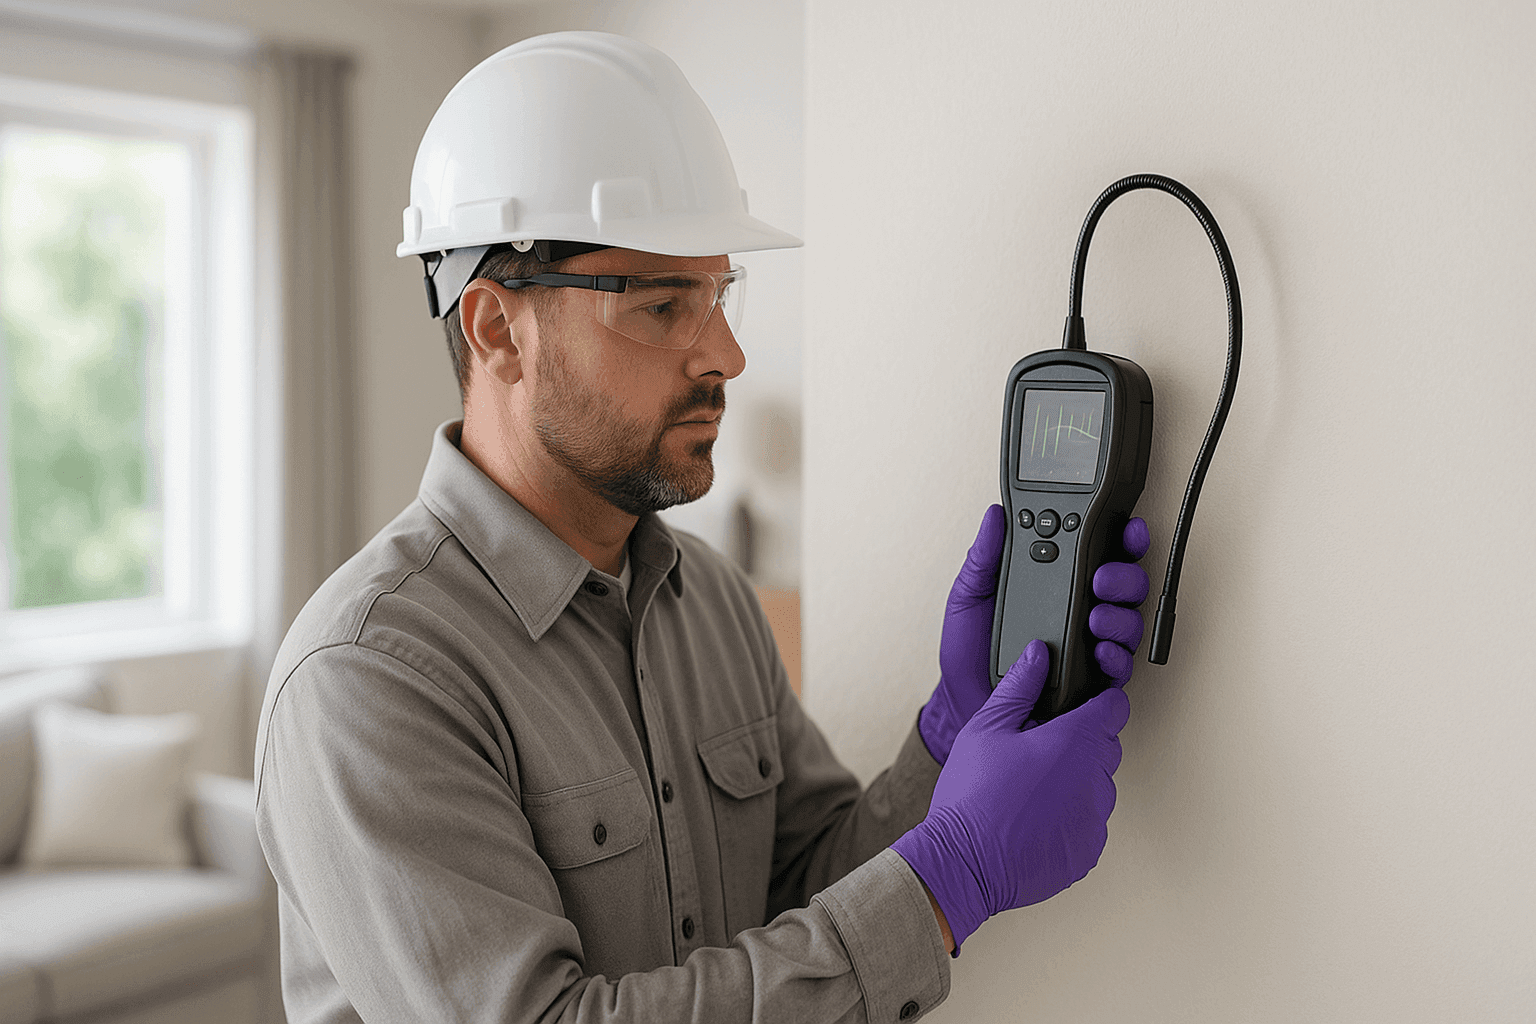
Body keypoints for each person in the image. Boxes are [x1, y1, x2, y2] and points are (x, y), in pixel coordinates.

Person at [254, 31, 1151, 1024]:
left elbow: (804, 889)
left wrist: (946, 737)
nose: (724, 351)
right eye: (659, 306)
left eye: (718, 295)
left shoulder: (709, 599)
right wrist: (950, 879)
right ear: (496, 328)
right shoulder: (368, 676)